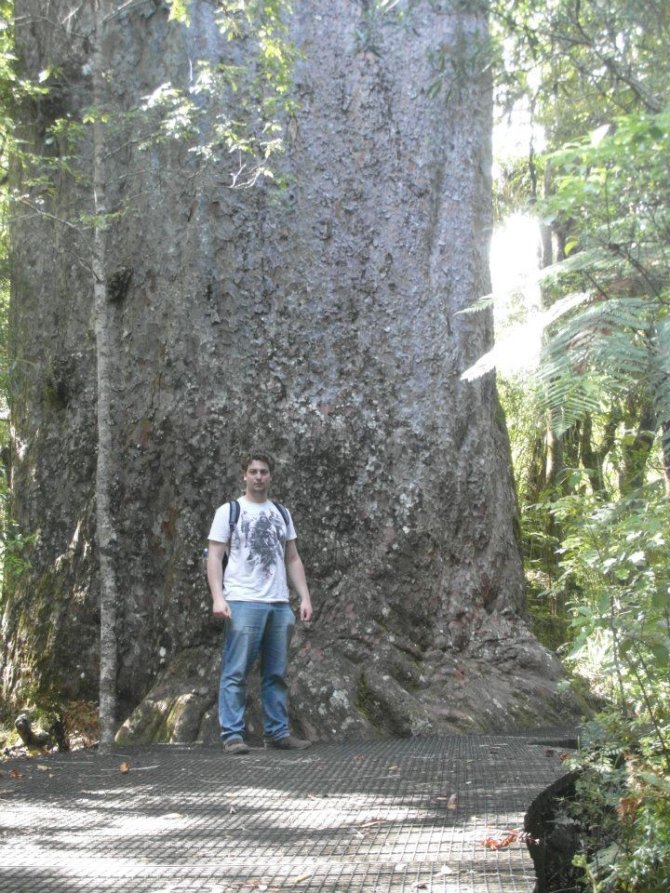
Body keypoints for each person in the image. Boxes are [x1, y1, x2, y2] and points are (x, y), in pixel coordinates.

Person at [207, 451, 313, 754]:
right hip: (242, 600)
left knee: (276, 672)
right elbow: (214, 557)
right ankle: (232, 735)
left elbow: (292, 557)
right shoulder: (228, 511)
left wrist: (304, 596)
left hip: (278, 603)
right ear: (244, 475)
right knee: (236, 669)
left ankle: (278, 733)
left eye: (264, 471)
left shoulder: (281, 513)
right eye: (253, 471)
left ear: (270, 476)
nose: (258, 477)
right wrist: (218, 597)